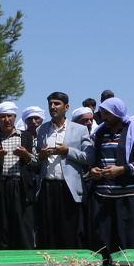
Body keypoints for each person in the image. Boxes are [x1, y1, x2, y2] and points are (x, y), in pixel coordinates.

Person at [89, 97, 134, 254]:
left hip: (127, 198)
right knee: (103, 242)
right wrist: (93, 171)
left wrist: (121, 169)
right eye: (102, 113)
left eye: (107, 114)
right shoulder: (100, 132)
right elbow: (93, 160)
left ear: (117, 113)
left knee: (127, 242)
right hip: (103, 198)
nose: (104, 117)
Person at [35, 92, 92, 250]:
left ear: (66, 107)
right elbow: (37, 156)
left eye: (57, 104)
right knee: (48, 234)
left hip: (68, 188)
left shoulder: (79, 129)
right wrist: (41, 155)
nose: (53, 107)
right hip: (47, 186)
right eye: (50, 104)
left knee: (68, 234)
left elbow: (89, 157)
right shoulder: (43, 129)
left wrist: (68, 151)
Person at [0, 101, 38, 250]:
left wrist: (26, 155)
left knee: (23, 229)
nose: (6, 119)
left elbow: (36, 164)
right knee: (1, 229)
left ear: (15, 117)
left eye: (9, 116)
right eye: (2, 117)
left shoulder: (26, 137)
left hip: (20, 188)